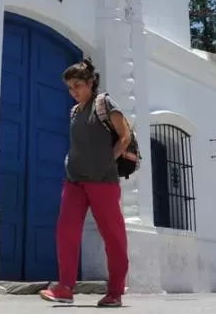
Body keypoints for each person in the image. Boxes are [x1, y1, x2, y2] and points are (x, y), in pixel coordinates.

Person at [40, 57, 135, 308]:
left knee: (112, 235)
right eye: (70, 88)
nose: (73, 92)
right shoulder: (74, 112)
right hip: (74, 180)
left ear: (91, 82)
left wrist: (106, 162)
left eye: (78, 86)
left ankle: (115, 291)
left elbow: (124, 137)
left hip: (103, 180)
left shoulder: (104, 103)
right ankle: (65, 288)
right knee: (66, 230)